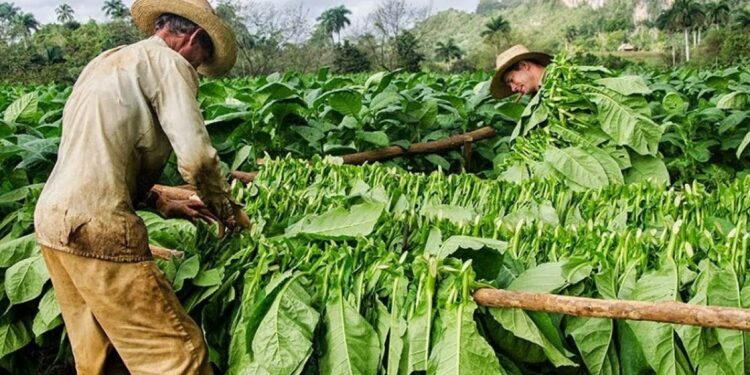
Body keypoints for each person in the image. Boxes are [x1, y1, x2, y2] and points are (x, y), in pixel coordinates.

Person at [32, 0, 249, 373]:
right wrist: (228, 211)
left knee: (102, 359)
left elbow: (97, 152)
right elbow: (197, 159)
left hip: (54, 225)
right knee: (179, 357)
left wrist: (157, 197)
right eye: (202, 58)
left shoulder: (107, 62)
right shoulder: (169, 63)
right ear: (195, 38)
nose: (197, 67)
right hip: (98, 229)